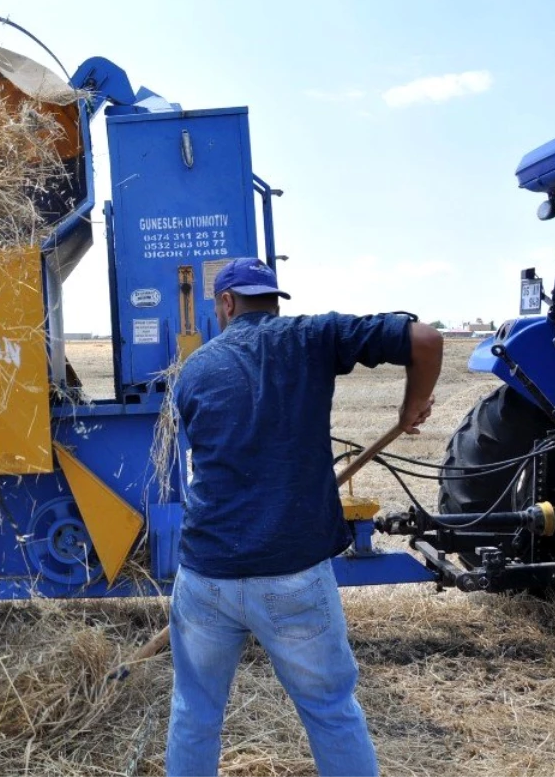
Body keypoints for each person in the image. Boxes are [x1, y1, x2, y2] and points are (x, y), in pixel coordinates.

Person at [165, 257, 442, 776]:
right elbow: (424, 340)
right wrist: (413, 406)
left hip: (205, 577)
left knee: (194, 713)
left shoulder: (195, 370)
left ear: (226, 304)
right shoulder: (312, 338)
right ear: (274, 300)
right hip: (291, 577)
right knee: (331, 713)